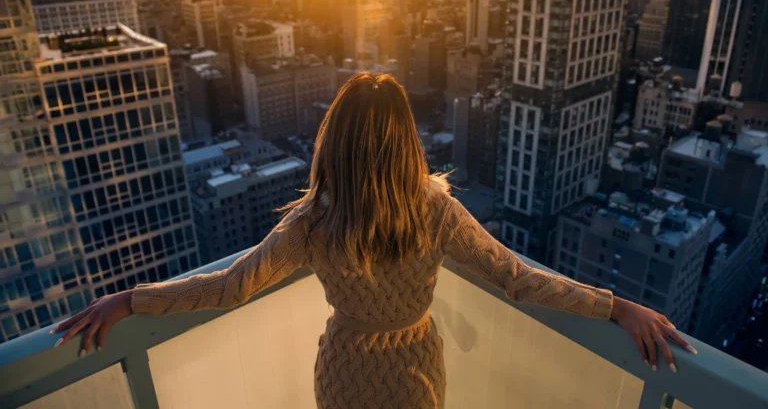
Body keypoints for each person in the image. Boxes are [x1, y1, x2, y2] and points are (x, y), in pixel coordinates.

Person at [52, 73, 696, 408]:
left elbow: (227, 287)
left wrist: (130, 300)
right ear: (404, 140)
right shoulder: (435, 212)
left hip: (343, 374)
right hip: (413, 373)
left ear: (337, 139)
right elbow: (520, 278)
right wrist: (617, 306)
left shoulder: (313, 221)